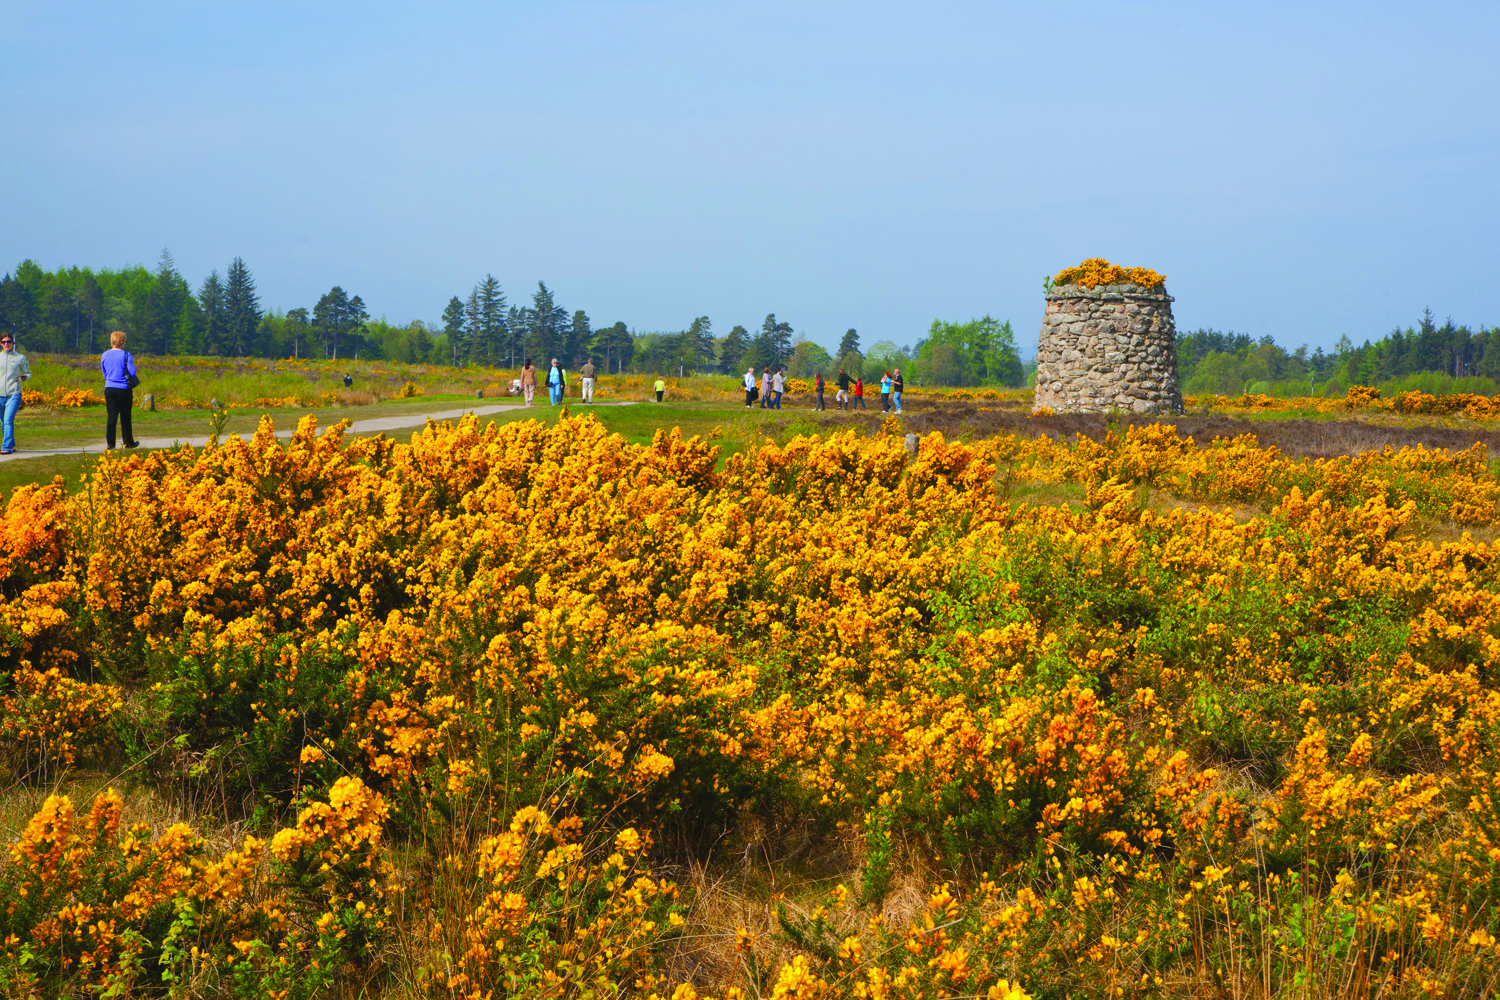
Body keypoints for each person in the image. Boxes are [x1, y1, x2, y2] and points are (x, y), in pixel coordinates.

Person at [100, 330, 140, 450]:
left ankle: (110, 443)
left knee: (111, 416)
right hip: (123, 389)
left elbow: (105, 373)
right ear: (122, 342)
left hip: (109, 388)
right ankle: (128, 442)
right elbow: (132, 372)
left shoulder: (105, 355)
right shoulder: (126, 355)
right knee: (125, 416)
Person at [0, 333, 32, 455]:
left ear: (13, 343)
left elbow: (28, 373)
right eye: (3, 342)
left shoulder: (20, 358)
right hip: (0, 394)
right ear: (1, 344)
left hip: (14, 393)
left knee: (8, 420)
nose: (6, 344)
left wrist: (24, 377)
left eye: (9, 341)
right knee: (3, 422)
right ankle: (11, 445)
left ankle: (6, 447)